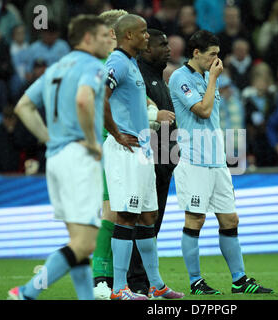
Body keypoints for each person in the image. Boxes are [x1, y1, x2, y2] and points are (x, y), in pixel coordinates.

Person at [7, 14, 110, 300]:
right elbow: (83, 99)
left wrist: (48, 138)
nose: (107, 41)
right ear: (87, 38)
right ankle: (26, 292)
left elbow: (23, 106)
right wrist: (92, 141)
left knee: (77, 242)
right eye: (103, 36)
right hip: (79, 157)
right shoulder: (91, 65)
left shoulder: (55, 68)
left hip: (56, 158)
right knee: (85, 243)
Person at [169, 30, 273, 295]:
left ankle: (239, 280)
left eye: (218, 54)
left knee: (230, 219)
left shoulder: (207, 76)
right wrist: (214, 78)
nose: (217, 60)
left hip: (217, 161)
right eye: (212, 54)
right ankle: (195, 281)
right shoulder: (180, 78)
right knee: (195, 220)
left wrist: (211, 77)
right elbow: (202, 111)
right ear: (196, 53)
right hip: (193, 161)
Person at [103, 14, 184, 300]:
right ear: (127, 36)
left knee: (148, 215)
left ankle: (155, 284)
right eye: (142, 32)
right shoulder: (116, 62)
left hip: (143, 149)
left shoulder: (132, 64)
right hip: (125, 150)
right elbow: (96, 95)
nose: (147, 36)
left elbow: (137, 100)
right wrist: (114, 132)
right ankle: (119, 288)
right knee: (126, 215)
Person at [124, 28, 177, 295]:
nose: (168, 49)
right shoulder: (139, 78)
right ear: (147, 50)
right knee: (143, 223)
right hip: (149, 162)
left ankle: (147, 282)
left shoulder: (157, 78)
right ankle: (136, 282)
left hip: (164, 163)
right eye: (163, 44)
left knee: (152, 224)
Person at [91, 8, 129, 301]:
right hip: (107, 144)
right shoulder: (103, 63)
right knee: (112, 211)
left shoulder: (123, 61)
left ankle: (124, 280)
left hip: (124, 144)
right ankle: (99, 279)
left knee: (126, 213)